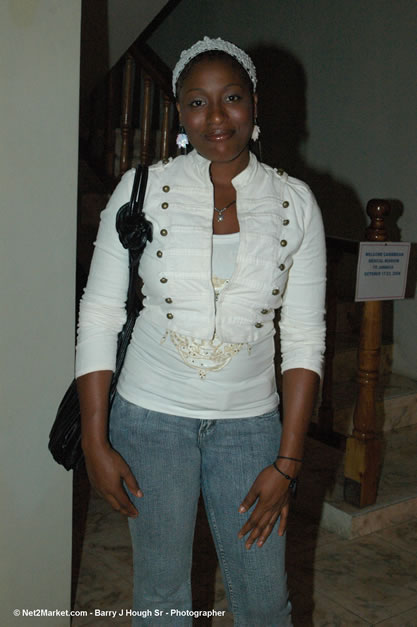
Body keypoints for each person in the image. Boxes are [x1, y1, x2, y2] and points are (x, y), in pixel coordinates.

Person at [76, 36, 326, 626]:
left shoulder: (295, 202)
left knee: (265, 601)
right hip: (149, 419)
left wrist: (288, 461)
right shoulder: (140, 188)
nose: (216, 116)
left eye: (231, 97)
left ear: (254, 104)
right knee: (161, 597)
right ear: (180, 113)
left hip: (251, 426)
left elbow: (304, 337)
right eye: (197, 102)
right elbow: (100, 313)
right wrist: (94, 440)